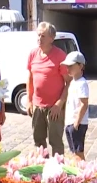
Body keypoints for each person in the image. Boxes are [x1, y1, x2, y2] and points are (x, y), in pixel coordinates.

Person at [27, 22, 70, 156]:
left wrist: (59, 104)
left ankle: (58, 172)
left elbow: (68, 83)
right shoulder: (33, 54)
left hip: (54, 108)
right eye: (38, 35)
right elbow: (30, 78)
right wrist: (29, 101)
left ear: (52, 38)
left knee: (56, 141)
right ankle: (41, 169)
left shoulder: (60, 56)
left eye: (43, 36)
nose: (39, 39)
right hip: (37, 106)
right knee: (38, 141)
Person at [61, 51, 89, 161]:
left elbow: (84, 104)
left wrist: (77, 122)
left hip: (78, 123)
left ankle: (84, 173)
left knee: (78, 152)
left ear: (80, 66)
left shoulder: (82, 83)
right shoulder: (73, 82)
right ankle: (78, 172)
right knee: (73, 151)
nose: (68, 69)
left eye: (71, 66)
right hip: (70, 122)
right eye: (67, 66)